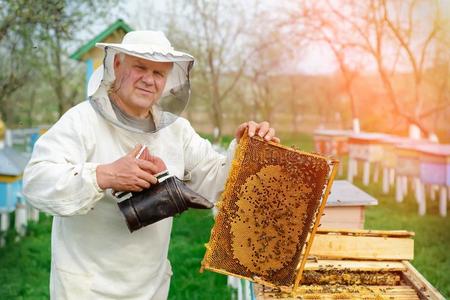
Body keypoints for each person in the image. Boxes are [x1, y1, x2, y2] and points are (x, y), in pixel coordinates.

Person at [23, 30, 279, 300]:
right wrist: (104, 175)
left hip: (150, 288)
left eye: (158, 73)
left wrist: (245, 150)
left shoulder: (177, 132)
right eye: (140, 68)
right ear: (117, 65)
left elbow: (215, 182)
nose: (149, 79)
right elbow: (37, 182)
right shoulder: (81, 121)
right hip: (86, 289)